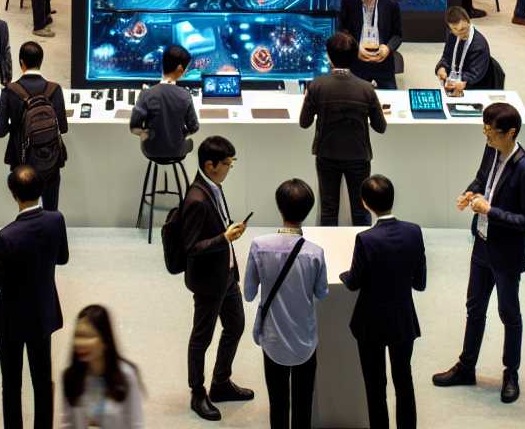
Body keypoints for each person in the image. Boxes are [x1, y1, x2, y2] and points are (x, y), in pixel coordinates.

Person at [433, 101, 525, 404]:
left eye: (491, 132)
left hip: (506, 253)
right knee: (474, 307)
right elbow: (482, 179)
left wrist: (491, 210)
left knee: (509, 314)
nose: (487, 136)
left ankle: (511, 373)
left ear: (511, 133)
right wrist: (471, 192)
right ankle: (466, 366)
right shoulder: (491, 148)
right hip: (481, 243)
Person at [0, 164, 71, 429]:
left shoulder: (5, 237)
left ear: (13, 194)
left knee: (11, 384)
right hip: (42, 312)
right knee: (42, 379)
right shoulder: (56, 220)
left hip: (11, 319)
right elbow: (63, 258)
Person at [177, 135, 253, 421]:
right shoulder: (197, 199)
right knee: (202, 337)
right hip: (208, 280)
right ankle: (198, 392)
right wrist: (224, 237)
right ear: (210, 165)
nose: (229, 169)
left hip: (226, 273)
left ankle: (220, 383)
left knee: (235, 325)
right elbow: (191, 248)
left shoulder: (213, 186)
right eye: (227, 164)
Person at [241, 178, 327, 429]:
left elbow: (248, 292)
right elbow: (321, 293)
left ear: (279, 207)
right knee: (304, 404)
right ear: (309, 210)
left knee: (278, 403)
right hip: (305, 340)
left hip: (273, 338)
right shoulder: (315, 252)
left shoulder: (259, 246)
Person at [341, 175, 423, 429]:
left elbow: (354, 281)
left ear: (365, 203)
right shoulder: (414, 231)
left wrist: (344, 274)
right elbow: (420, 283)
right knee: (404, 379)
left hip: (371, 323)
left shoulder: (366, 239)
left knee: (375, 386)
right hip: (402, 319)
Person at [299, 32, 386, 227]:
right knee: (361, 209)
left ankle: (328, 252)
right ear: (355, 56)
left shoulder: (317, 86)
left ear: (329, 56)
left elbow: (304, 122)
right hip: (358, 155)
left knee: (328, 210)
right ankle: (361, 250)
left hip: (326, 154)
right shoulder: (366, 88)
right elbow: (380, 127)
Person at [0, 40, 68, 211]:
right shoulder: (54, 89)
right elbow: (63, 128)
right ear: (41, 61)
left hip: (22, 162)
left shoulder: (10, 91)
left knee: (26, 211)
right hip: (51, 160)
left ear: (21, 63)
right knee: (51, 209)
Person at [62, 305, 146, 429]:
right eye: (78, 336)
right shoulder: (71, 377)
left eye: (88, 336)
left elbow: (136, 425)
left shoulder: (125, 375)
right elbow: (68, 424)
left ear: (105, 340)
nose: (80, 343)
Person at [131, 43, 200, 164]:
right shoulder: (185, 95)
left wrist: (145, 133)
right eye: (186, 68)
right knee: (190, 143)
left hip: (150, 151)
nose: (186, 71)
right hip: (178, 151)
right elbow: (194, 128)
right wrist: (181, 133)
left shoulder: (146, 94)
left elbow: (134, 127)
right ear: (179, 69)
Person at [338, 0, 403, 89]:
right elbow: (342, 31)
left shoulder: (391, 3)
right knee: (354, 102)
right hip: (357, 62)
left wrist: (388, 48)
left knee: (391, 101)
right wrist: (355, 48)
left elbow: (398, 35)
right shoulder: (348, 1)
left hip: (383, 64)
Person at [435, 5, 492, 94]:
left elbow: (475, 74)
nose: (459, 33)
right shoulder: (452, 35)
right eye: (455, 29)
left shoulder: (479, 45)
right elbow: (446, 56)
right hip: (455, 81)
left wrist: (463, 81)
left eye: (463, 29)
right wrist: (441, 67)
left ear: (468, 22)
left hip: (474, 87)